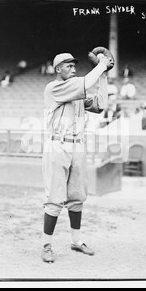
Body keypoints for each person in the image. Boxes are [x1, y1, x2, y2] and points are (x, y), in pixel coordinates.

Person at [41, 52, 113, 263]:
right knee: (55, 198)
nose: (73, 68)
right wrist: (101, 64)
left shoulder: (76, 90)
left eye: (74, 65)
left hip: (77, 146)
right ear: (57, 69)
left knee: (77, 196)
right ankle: (46, 246)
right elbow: (84, 83)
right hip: (57, 145)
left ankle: (76, 240)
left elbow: (100, 105)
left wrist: (104, 75)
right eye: (68, 65)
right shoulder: (53, 88)